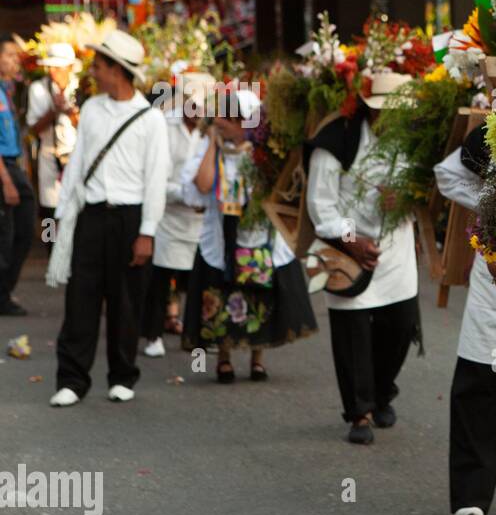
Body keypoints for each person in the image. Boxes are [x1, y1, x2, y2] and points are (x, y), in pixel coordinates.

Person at [48, 30, 169, 406]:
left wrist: (147, 232)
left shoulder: (150, 119)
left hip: (130, 219)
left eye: (99, 66)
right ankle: (72, 379)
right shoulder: (93, 110)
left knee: (126, 300)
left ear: (117, 70)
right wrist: (62, 216)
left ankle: (122, 375)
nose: (94, 72)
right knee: (80, 298)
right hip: (92, 216)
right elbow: (78, 164)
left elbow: (156, 180)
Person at [305, 71, 421, 446]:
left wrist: (406, 199)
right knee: (352, 334)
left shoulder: (416, 142)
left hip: (396, 250)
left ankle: (383, 389)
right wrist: (352, 239)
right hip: (347, 249)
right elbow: (320, 207)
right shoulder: (335, 142)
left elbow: (431, 197)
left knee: (401, 327)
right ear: (371, 110)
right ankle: (360, 412)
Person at [180, 87, 317, 385]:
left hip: (260, 237)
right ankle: (224, 360)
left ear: (245, 123)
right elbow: (201, 186)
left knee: (259, 294)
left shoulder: (264, 153)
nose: (221, 122)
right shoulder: (211, 147)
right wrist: (214, 144)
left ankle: (258, 359)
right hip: (221, 238)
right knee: (222, 294)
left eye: (228, 119)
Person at [434, 123, 496, 515]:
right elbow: (447, 174)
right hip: (494, 285)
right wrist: (489, 204)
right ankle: (470, 493)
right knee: (476, 386)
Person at [141, 72, 212, 358]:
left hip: (202, 221)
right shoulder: (164, 128)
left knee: (201, 282)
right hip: (169, 218)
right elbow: (157, 178)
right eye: (193, 105)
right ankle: (152, 334)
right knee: (159, 279)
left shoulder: (211, 131)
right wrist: (187, 195)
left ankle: (199, 334)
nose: (198, 113)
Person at [0, 34, 36, 316]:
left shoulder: (8, 89)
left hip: (12, 164)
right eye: (9, 55)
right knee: (11, 232)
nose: (15, 61)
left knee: (19, 229)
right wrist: (7, 180)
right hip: (4, 167)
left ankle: (4, 291)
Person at [25, 42, 81, 224]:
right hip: (49, 158)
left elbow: (89, 126)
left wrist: (70, 111)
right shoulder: (38, 89)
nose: (53, 72)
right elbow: (34, 129)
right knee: (50, 216)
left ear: (70, 67)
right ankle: (50, 250)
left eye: (58, 68)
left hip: (76, 158)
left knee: (76, 213)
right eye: (50, 67)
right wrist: (53, 111)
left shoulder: (82, 87)